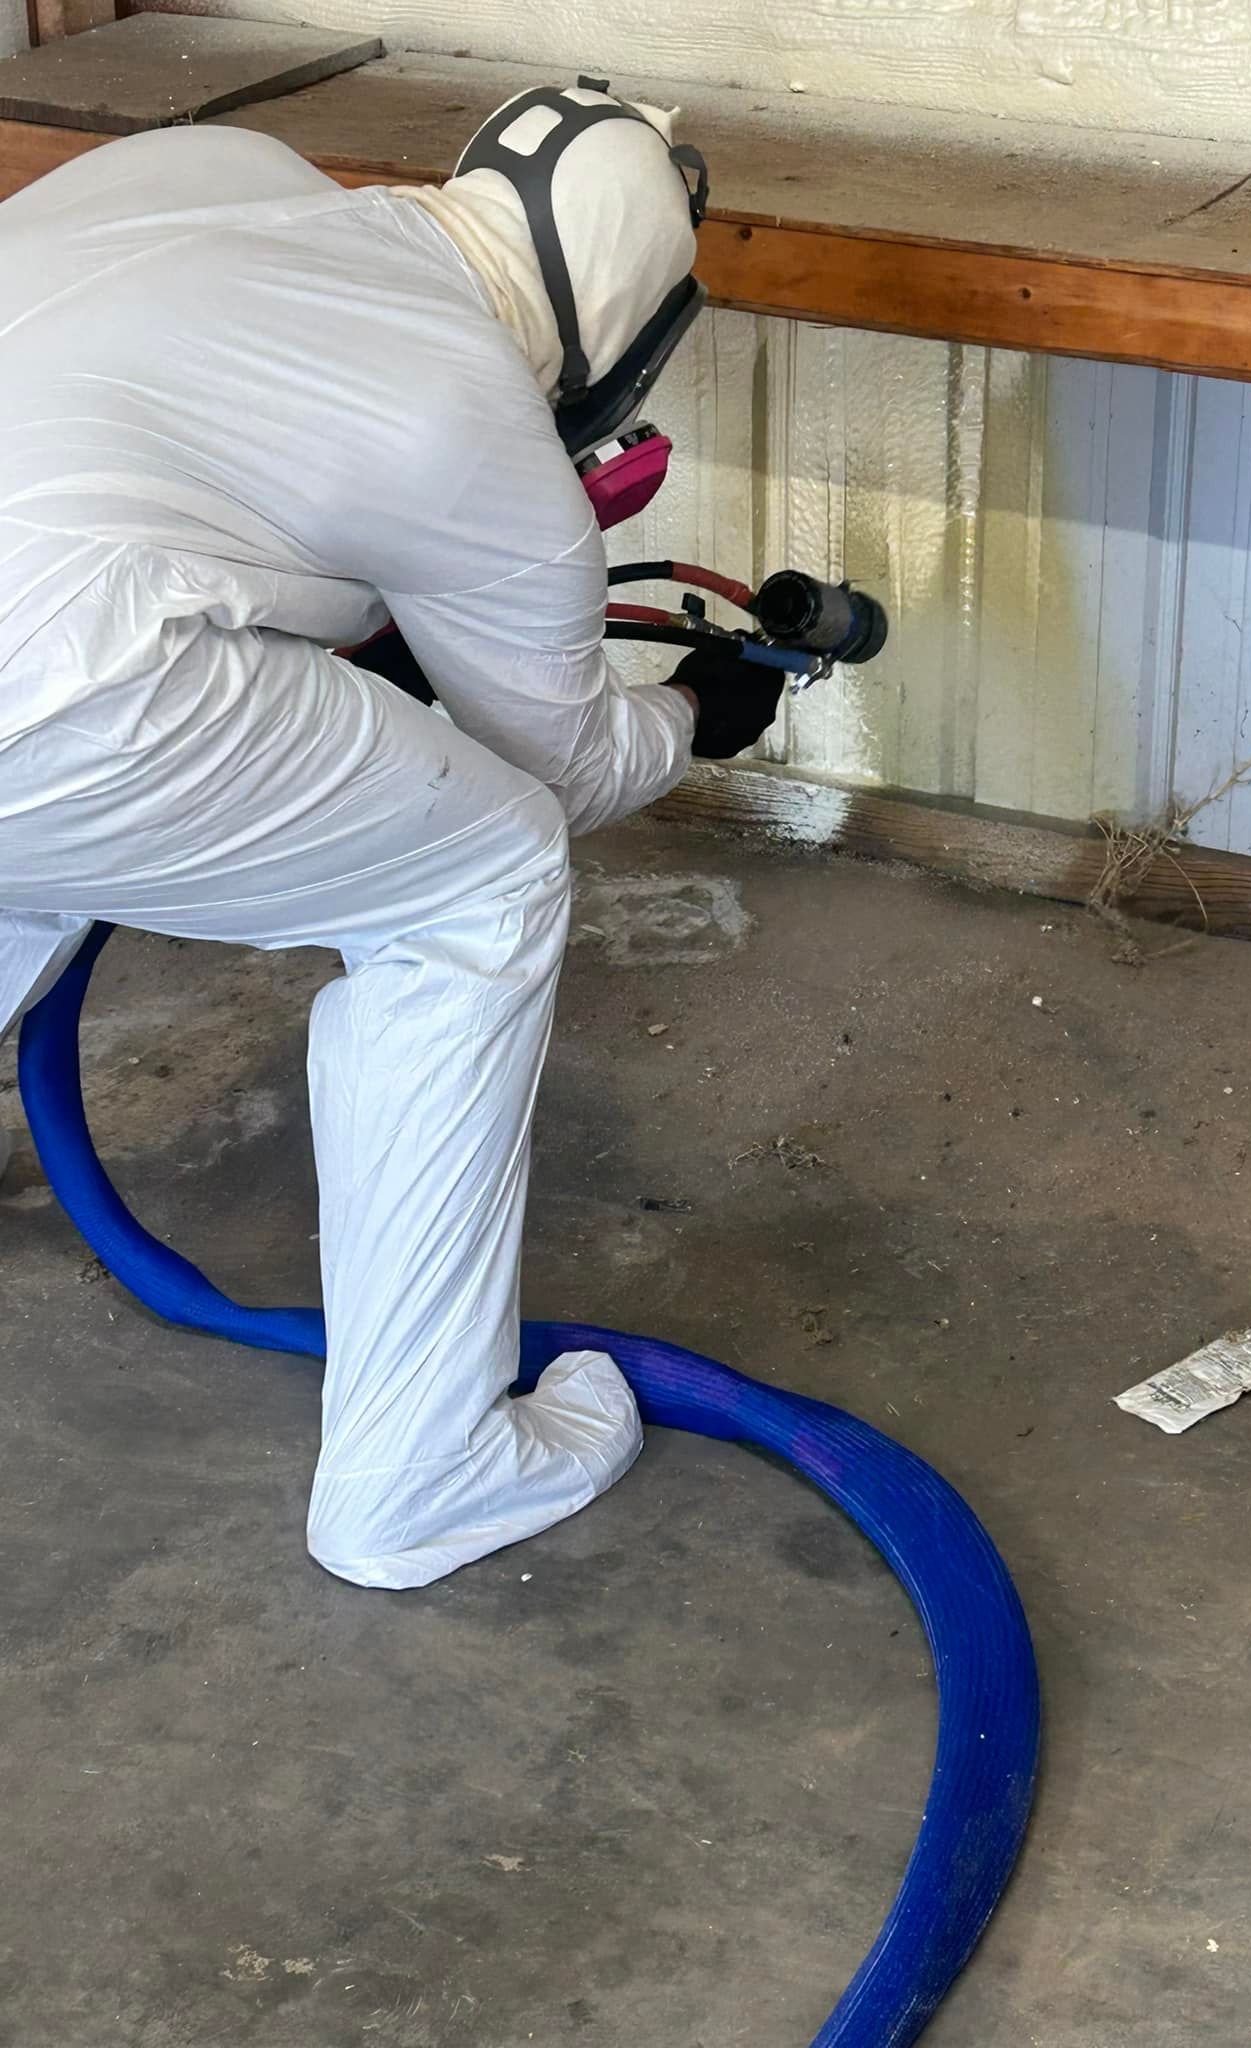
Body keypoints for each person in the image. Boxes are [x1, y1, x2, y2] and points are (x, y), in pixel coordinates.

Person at [0, 83, 784, 1590]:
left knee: (46, 837)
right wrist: (699, 709)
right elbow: (558, 763)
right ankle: (422, 1473)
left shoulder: (215, 166)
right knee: (482, 881)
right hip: (47, 697)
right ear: (620, 344)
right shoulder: (467, 410)